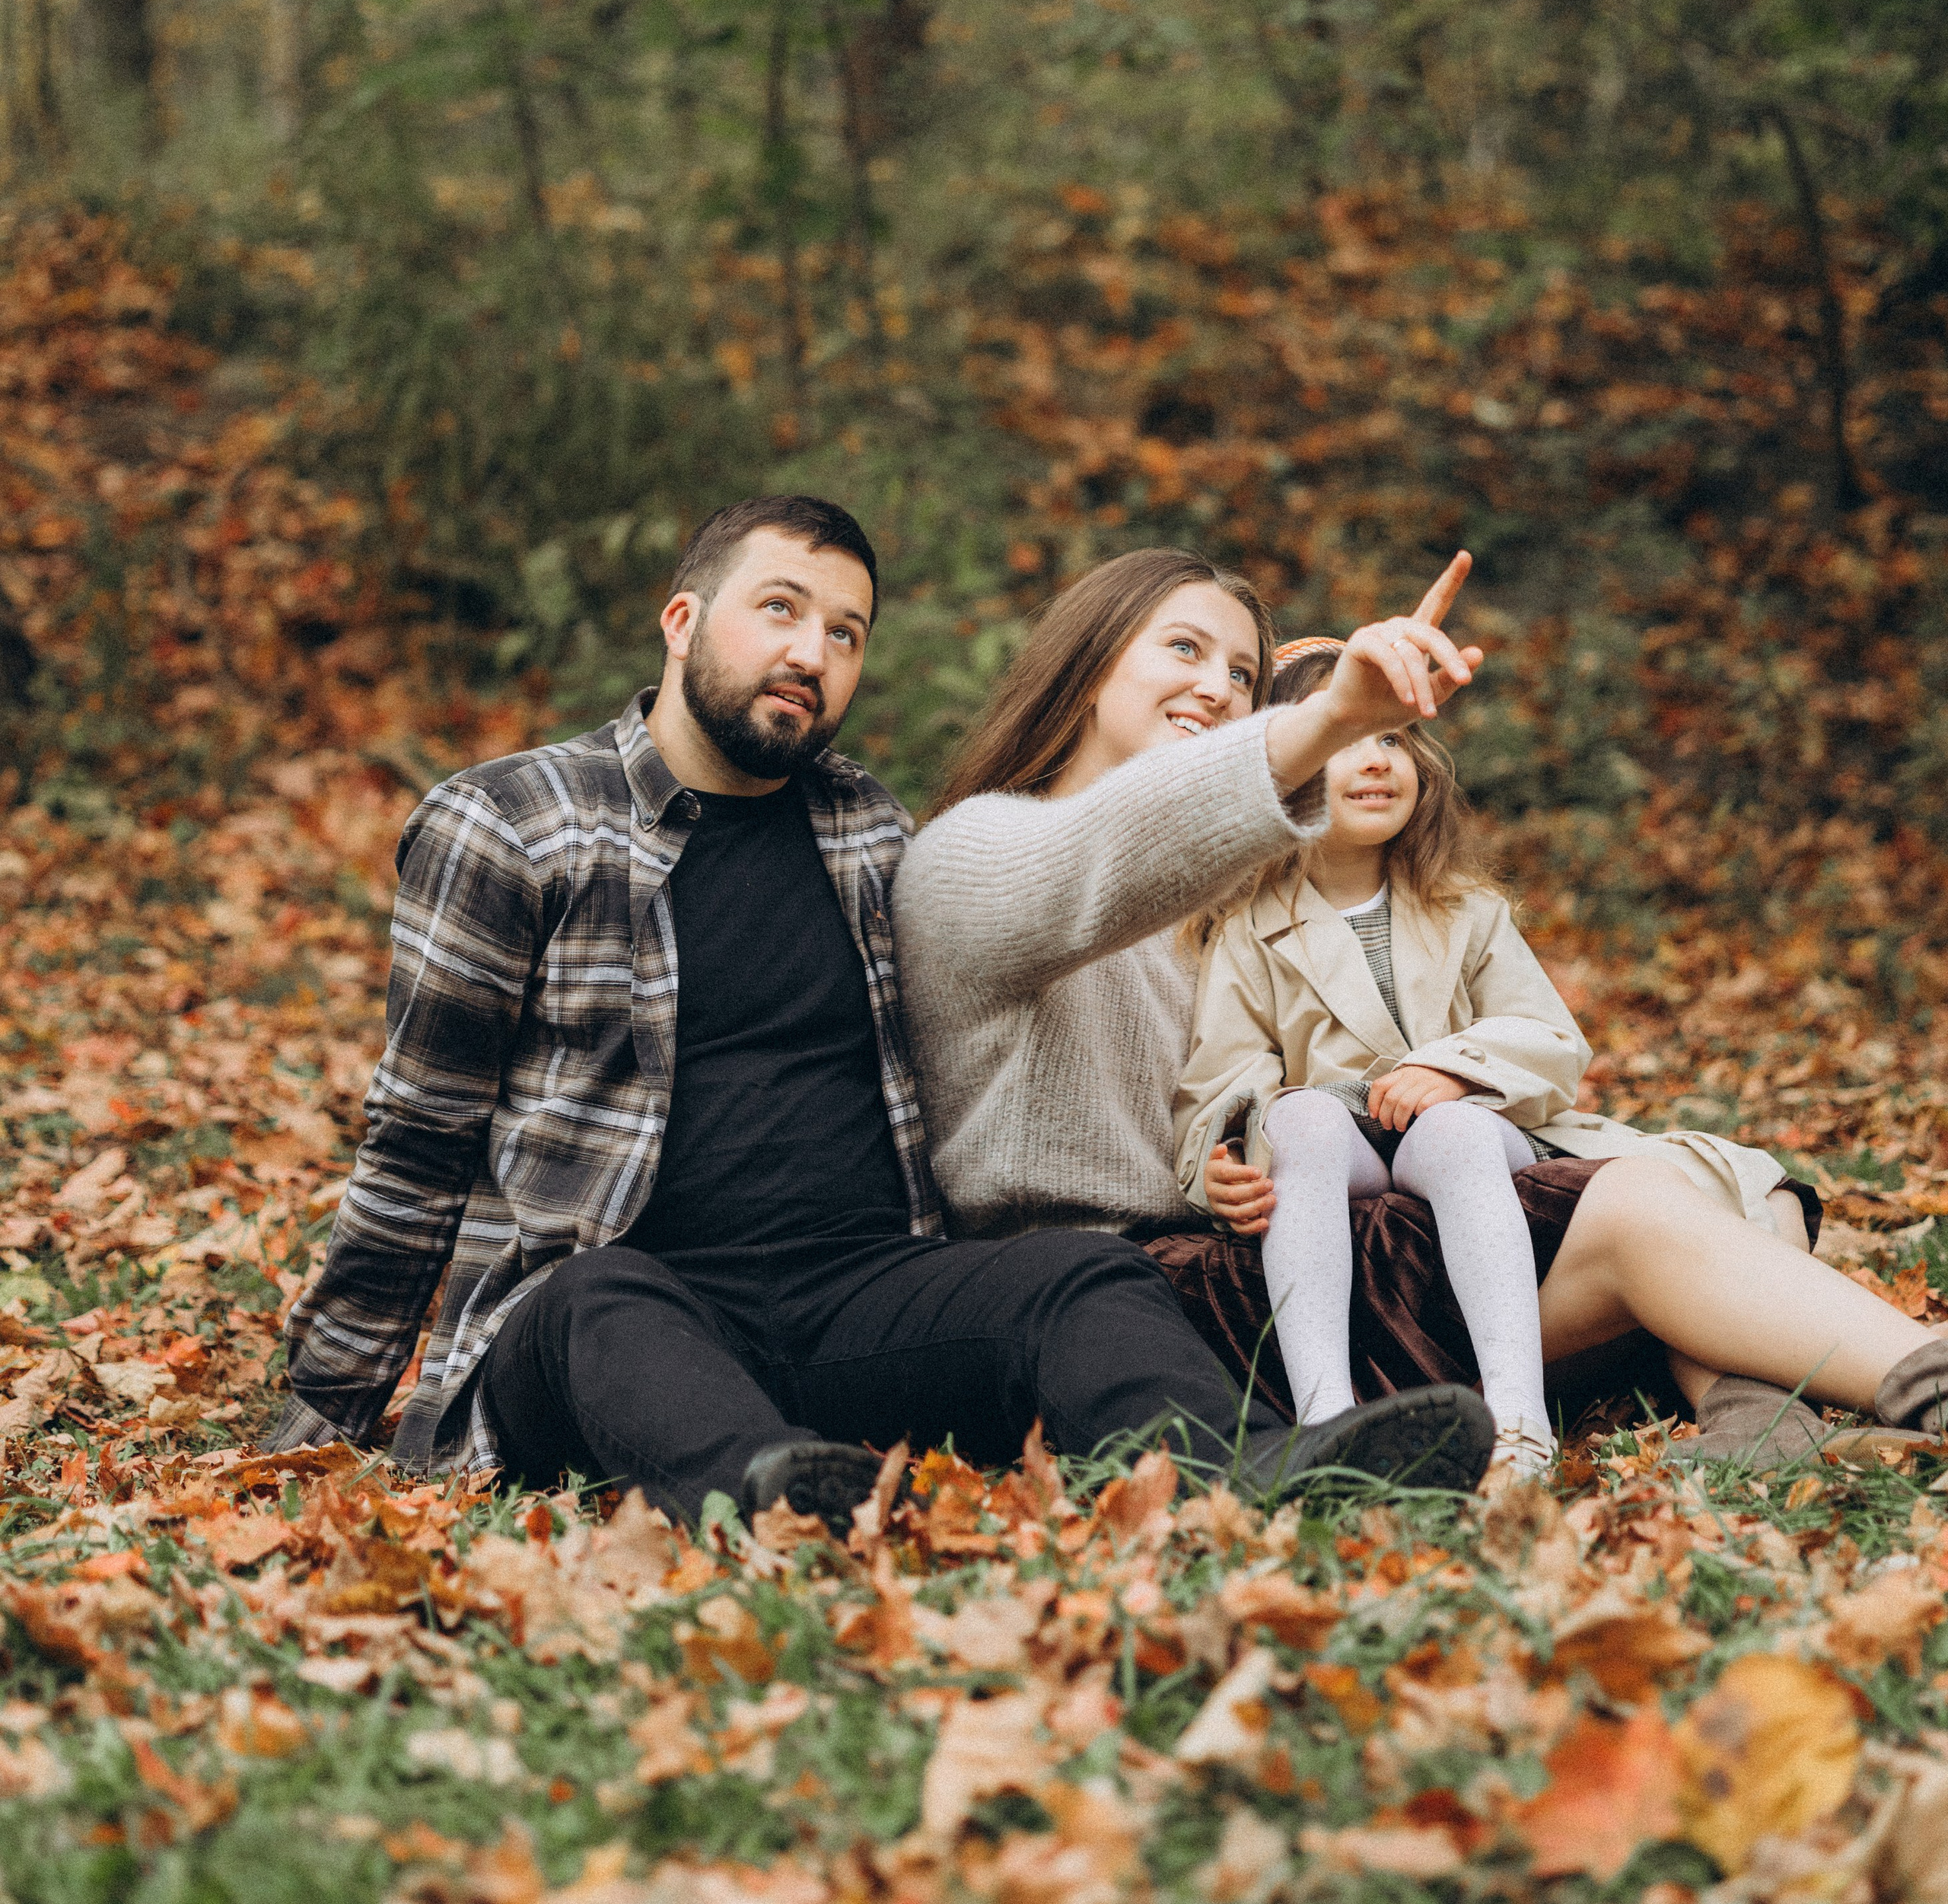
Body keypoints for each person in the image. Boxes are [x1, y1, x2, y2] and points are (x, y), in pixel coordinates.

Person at [272, 495, 1491, 1527]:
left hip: (852, 1293)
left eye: (846, 632)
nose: (813, 651)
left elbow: (1103, 857)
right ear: (684, 620)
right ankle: (770, 1493)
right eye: (781, 610)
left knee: (1071, 1277)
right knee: (595, 1302)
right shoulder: (513, 824)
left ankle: (1253, 1470)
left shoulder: (867, 833)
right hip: (618, 1299)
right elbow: (418, 1142)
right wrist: (321, 1415)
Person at [896, 544, 1948, 1471]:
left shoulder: (1233, 898)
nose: (1218, 687)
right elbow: (1103, 860)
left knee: (1718, 1187)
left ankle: (1755, 1416)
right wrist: (1330, 715)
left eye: (1242, 674)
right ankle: (1919, 1376)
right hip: (1119, 1298)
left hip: (1294, 1244)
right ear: (1084, 663)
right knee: (1630, 1209)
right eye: (1183, 650)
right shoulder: (974, 857)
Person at [1176, 638, 1792, 1482]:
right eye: (1344, 741)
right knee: (1297, 1115)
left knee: (1457, 1132)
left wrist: (1457, 1068)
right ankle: (1328, 1420)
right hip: (1345, 1147)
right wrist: (1223, 1158)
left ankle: (1518, 1421)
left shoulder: (1465, 909)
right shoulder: (1248, 924)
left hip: (1462, 1130)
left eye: (1392, 740)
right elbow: (1223, 1074)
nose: (1374, 762)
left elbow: (1546, 1035)